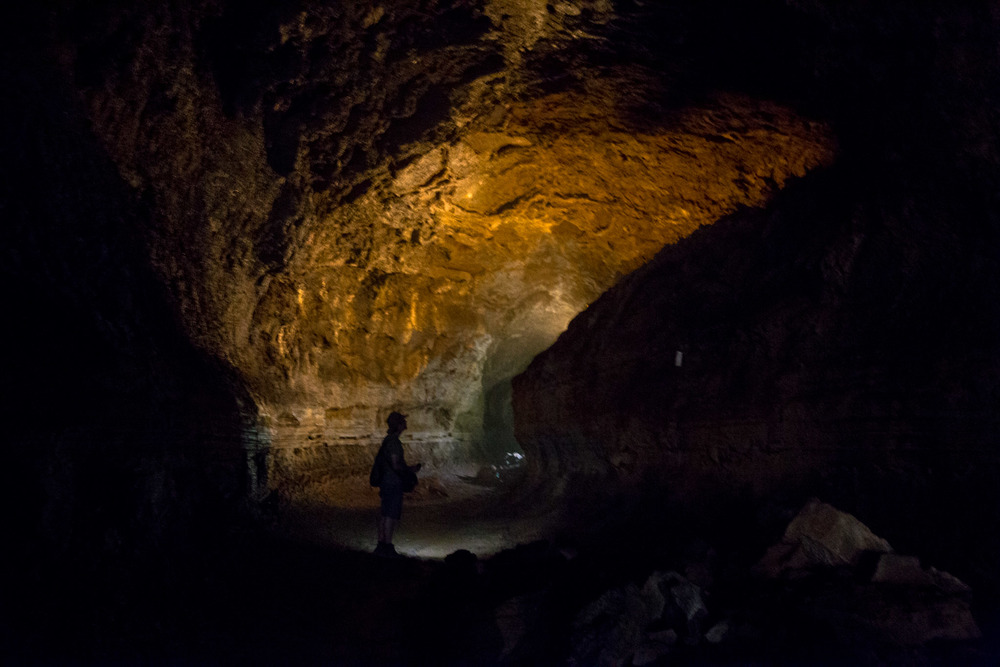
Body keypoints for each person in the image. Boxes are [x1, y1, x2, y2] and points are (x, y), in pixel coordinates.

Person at [374, 411, 421, 557]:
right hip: (393, 482)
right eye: (403, 422)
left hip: (386, 482)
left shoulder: (388, 440)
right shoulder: (394, 442)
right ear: (399, 425)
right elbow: (395, 465)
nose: (406, 424)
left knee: (385, 513)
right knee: (390, 515)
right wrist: (410, 469)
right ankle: (387, 547)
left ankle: (381, 546)